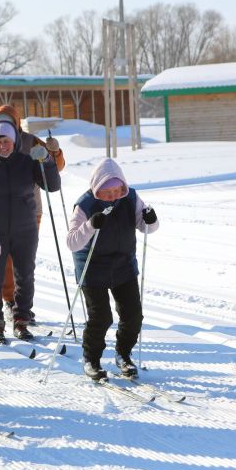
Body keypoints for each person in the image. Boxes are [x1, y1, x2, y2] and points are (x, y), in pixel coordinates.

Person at [0, 105, 66, 324]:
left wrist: (52, 154)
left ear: (16, 123)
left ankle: (21, 313)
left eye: (7, 138)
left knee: (24, 270)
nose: (2, 144)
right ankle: (2, 310)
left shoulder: (30, 146)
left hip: (28, 216)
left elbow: (54, 175)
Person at [66, 158, 159, 380]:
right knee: (101, 317)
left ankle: (123, 355)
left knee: (133, 315)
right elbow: (72, 242)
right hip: (93, 266)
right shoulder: (85, 205)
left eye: (117, 191)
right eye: (108, 193)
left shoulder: (131, 198)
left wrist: (151, 219)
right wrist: (90, 225)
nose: (114, 197)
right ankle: (91, 360)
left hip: (123, 264)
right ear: (97, 189)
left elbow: (148, 227)